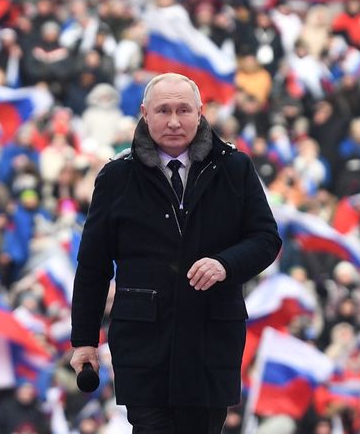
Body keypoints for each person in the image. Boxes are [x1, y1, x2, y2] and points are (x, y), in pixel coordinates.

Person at [69, 73, 281, 433]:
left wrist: (225, 264)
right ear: (144, 113)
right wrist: (84, 340)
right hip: (144, 347)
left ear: (200, 112)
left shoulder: (235, 168)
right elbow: (93, 266)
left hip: (210, 344)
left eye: (183, 110)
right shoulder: (116, 177)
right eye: (163, 110)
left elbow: (266, 239)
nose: (173, 121)